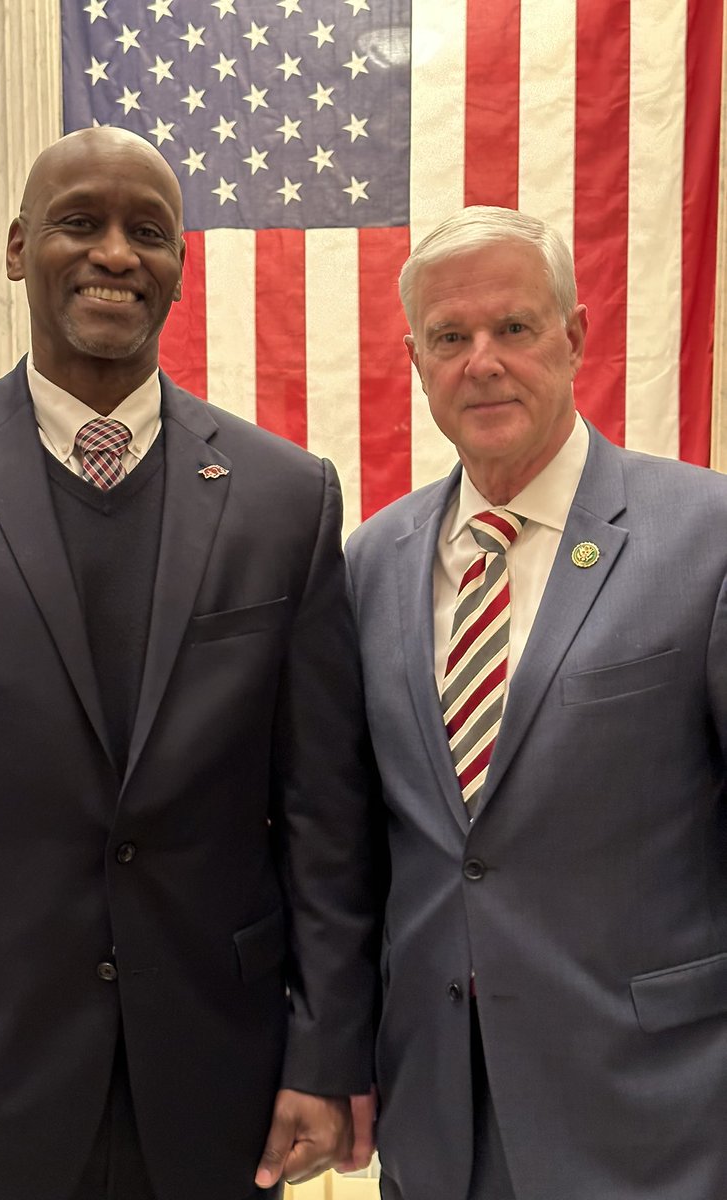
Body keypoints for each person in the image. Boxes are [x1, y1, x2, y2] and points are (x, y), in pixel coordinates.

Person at [0, 128, 378, 1200]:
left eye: (150, 232)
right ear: (18, 248)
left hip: (220, 1078)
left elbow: (325, 816)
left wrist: (325, 1051)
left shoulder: (285, 498)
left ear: (180, 265)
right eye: (81, 222)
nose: (117, 253)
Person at [345, 206, 727, 1200]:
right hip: (436, 1118)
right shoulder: (369, 564)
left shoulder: (707, 538)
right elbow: (360, 845)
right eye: (450, 337)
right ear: (416, 360)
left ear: (575, 336)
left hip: (658, 1112)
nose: (482, 361)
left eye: (513, 327)